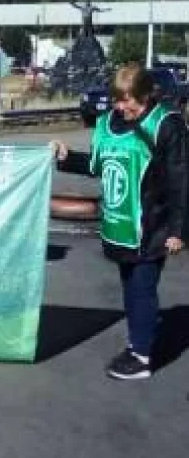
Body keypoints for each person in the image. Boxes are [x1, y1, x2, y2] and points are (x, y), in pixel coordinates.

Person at [51, 63, 187, 380]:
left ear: (146, 95)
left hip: (151, 223)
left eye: (129, 101)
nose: (122, 107)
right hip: (117, 224)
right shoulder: (108, 122)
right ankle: (139, 338)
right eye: (117, 100)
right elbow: (99, 164)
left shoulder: (167, 124)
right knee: (130, 286)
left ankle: (140, 356)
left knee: (142, 288)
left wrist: (179, 229)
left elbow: (182, 179)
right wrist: (66, 157)